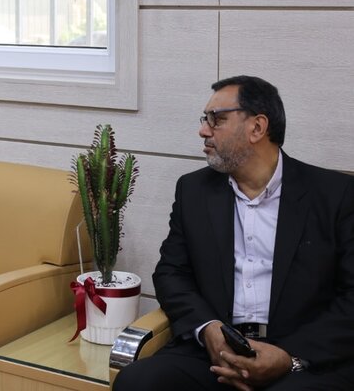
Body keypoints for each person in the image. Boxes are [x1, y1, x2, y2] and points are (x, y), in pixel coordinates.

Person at [115, 75, 354, 391]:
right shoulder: (194, 191)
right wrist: (208, 329)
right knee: (137, 382)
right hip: (216, 350)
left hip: (300, 358)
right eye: (205, 119)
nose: (203, 130)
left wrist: (288, 357)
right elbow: (171, 273)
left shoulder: (335, 195)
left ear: (257, 127)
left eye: (216, 119)